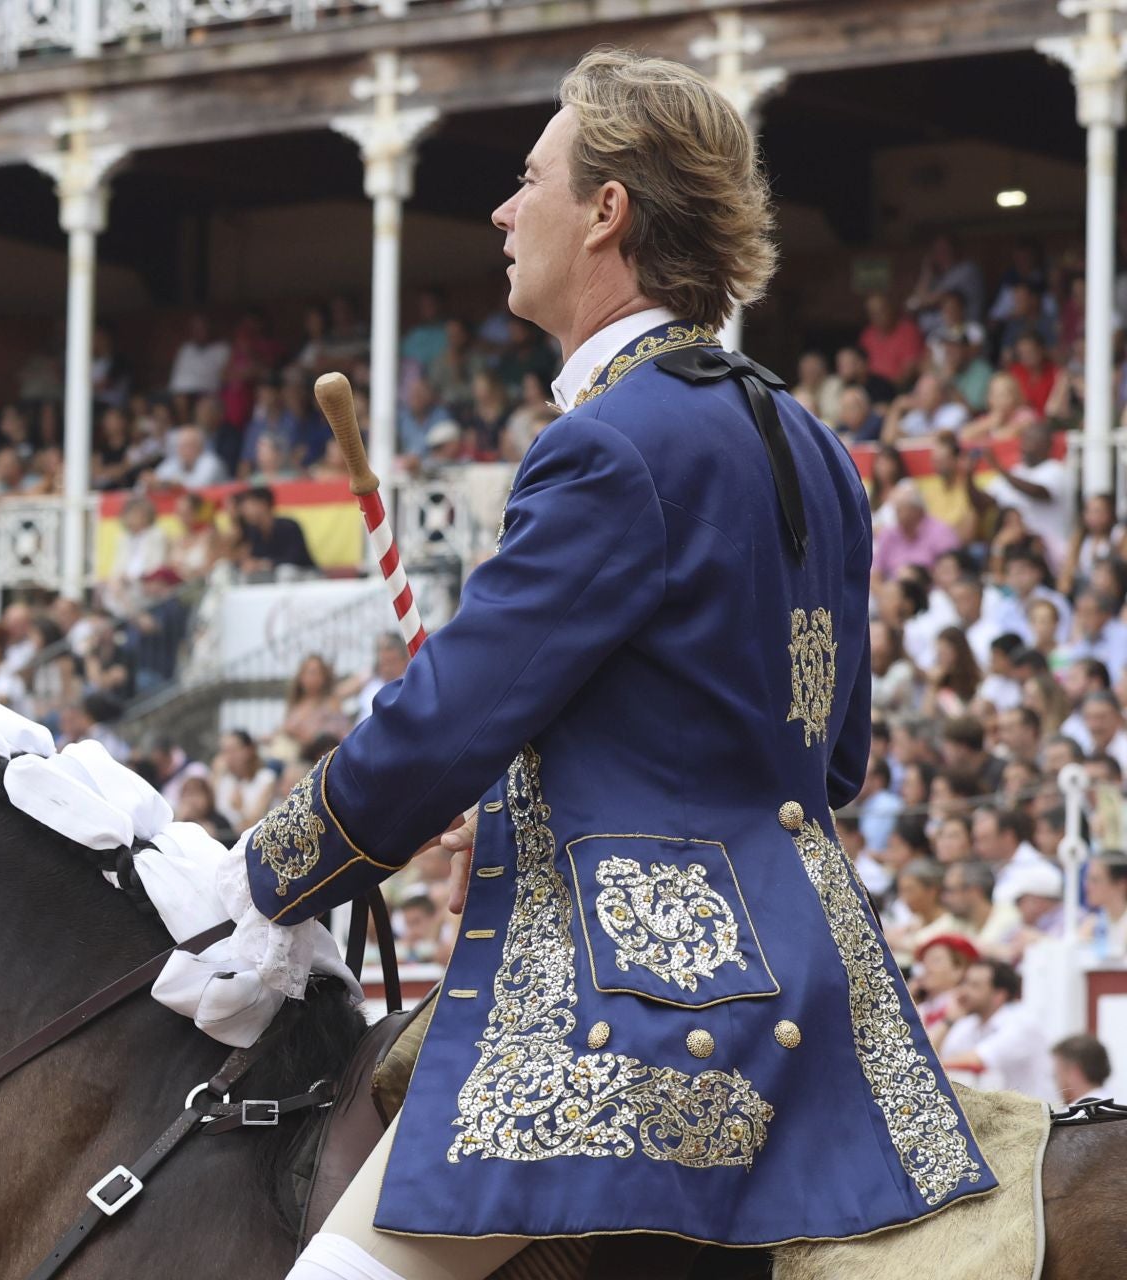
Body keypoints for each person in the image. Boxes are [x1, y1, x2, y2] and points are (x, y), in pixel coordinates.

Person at [273, 54, 989, 1280]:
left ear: (607, 210)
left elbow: (446, 721)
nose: (504, 211)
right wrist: (521, 810)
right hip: (825, 989)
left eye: (528, 178)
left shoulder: (608, 441)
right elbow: (830, 753)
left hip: (642, 1010)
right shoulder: (819, 444)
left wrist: (269, 876)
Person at [937, 960, 1057, 1101]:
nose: (963, 992)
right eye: (965, 983)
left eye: (974, 986)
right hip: (1001, 1115)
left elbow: (975, 1061)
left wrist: (925, 1065)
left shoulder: (1022, 1023)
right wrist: (948, 1021)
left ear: (999, 995)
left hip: (1038, 1118)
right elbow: (937, 1054)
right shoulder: (969, 1023)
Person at [1050, 1034, 1112, 1104]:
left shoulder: (1077, 1113)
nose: (1057, 1083)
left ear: (1074, 1072)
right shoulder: (1117, 1108)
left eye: (1057, 1075)